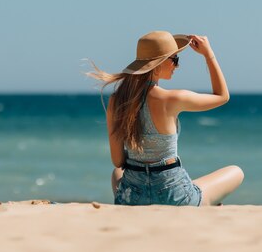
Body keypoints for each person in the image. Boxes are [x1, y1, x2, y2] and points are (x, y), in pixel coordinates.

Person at [88, 31, 244, 206]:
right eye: (175, 59)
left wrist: (141, 163)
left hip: (132, 197)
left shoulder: (117, 101)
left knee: (116, 173)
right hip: (174, 196)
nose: (176, 66)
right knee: (236, 171)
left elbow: (118, 161)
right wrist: (209, 55)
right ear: (158, 65)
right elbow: (222, 96)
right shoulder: (173, 99)